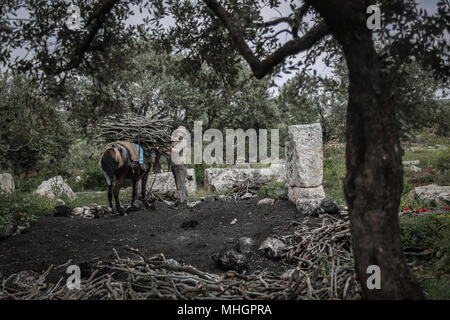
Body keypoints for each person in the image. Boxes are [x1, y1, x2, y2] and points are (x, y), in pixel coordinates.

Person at [166, 126, 190, 207]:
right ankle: (187, 201)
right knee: (180, 184)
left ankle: (183, 203)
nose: (180, 134)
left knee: (180, 185)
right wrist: (166, 150)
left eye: (182, 133)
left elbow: (176, 150)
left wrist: (170, 148)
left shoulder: (184, 142)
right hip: (175, 165)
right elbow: (170, 153)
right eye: (179, 132)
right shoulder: (175, 142)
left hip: (181, 166)